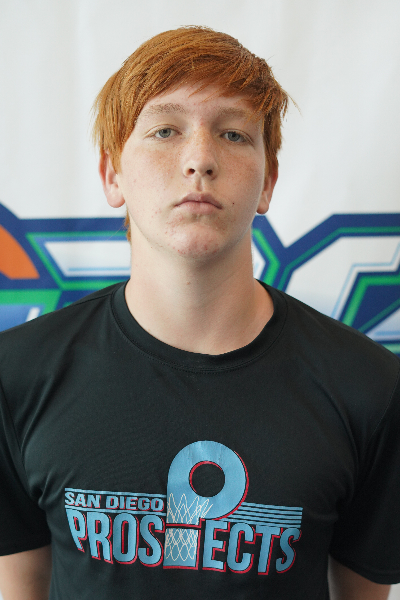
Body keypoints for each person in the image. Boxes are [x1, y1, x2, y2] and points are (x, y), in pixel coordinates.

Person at [0, 26, 399, 600]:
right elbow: (22, 586)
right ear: (112, 174)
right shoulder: (18, 374)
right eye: (165, 130)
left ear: (268, 182)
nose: (200, 159)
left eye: (233, 133)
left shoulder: (368, 388)